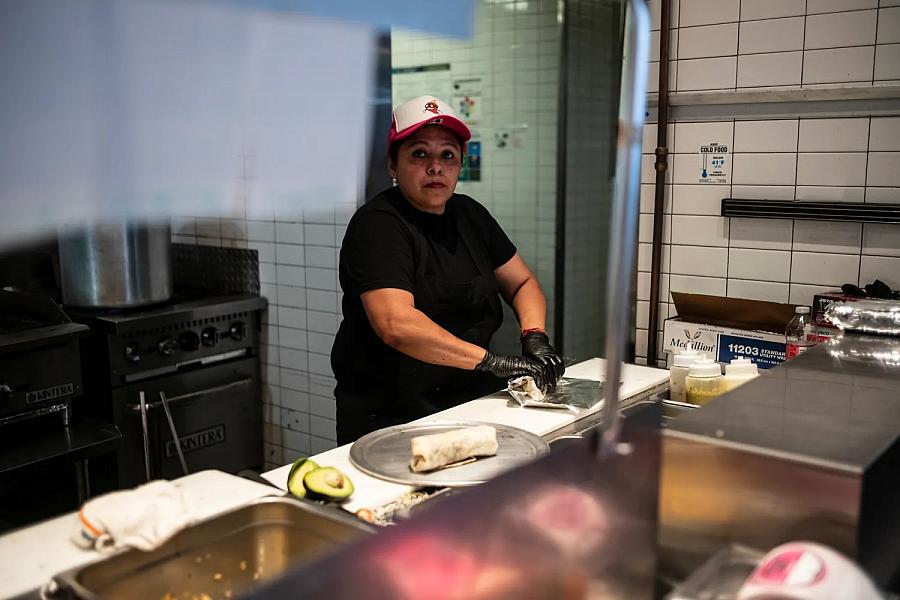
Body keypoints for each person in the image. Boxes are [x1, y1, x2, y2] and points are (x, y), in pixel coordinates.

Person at [331, 95, 564, 444]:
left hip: (468, 404)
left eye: (447, 155)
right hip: (392, 416)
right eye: (419, 153)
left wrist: (535, 336)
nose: (435, 166)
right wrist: (494, 362)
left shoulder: (470, 215)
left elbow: (521, 282)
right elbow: (396, 324)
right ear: (393, 164)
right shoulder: (378, 225)